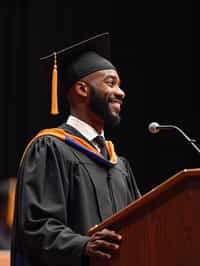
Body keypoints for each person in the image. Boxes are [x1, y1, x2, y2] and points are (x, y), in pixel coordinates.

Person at [11, 32, 141, 266]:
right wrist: (82, 245)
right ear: (82, 89)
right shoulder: (51, 148)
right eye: (111, 83)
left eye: (119, 85)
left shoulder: (119, 164)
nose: (121, 93)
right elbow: (36, 226)